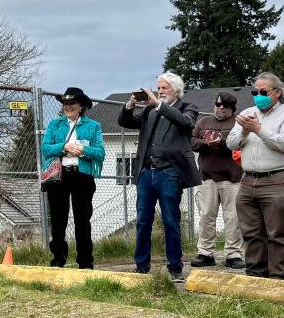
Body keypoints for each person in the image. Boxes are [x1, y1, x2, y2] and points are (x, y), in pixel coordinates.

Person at [118, 72, 200, 280]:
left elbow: (186, 123)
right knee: (143, 221)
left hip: (169, 172)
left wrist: (160, 106)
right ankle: (142, 265)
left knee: (171, 221)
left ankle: (175, 268)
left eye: (164, 88)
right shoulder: (150, 110)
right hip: (146, 172)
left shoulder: (187, 107)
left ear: (176, 90)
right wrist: (129, 106)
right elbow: (126, 122)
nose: (160, 91)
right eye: (158, 88)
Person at [226, 72, 284, 280]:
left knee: (277, 233)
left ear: (276, 93)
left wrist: (258, 129)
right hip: (248, 179)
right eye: (254, 92)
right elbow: (231, 143)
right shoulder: (248, 113)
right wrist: (243, 131)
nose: (258, 95)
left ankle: (280, 278)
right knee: (251, 233)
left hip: (276, 178)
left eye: (263, 92)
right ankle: (255, 276)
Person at [41, 87, 105, 268]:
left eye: (72, 103)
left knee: (82, 221)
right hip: (59, 177)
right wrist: (65, 147)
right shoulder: (55, 125)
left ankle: (85, 262)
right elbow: (45, 149)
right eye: (65, 103)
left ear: (81, 106)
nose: (68, 106)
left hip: (82, 177)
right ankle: (58, 260)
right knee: (58, 221)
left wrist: (84, 150)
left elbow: (100, 153)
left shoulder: (93, 126)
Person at [190, 91, 244, 269]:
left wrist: (221, 143)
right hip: (208, 178)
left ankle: (233, 254)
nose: (220, 108)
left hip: (232, 178)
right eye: (217, 104)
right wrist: (206, 144)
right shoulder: (203, 122)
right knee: (206, 215)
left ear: (231, 108)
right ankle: (205, 253)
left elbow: (241, 143)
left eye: (225, 105)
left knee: (233, 217)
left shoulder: (238, 123)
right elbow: (191, 141)